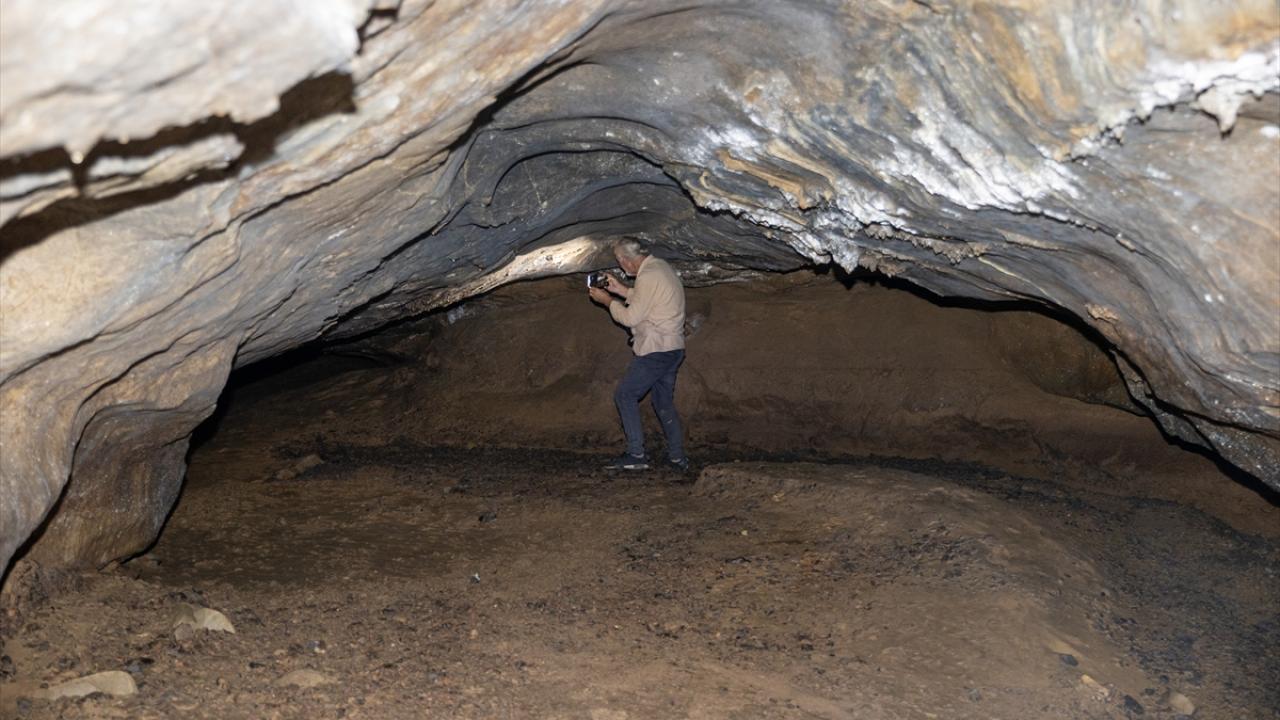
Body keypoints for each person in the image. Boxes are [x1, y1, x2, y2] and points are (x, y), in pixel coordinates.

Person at [587, 238, 689, 471]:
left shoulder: (648, 276)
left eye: (620, 262)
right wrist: (621, 290)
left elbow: (630, 318)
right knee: (663, 402)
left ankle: (636, 454)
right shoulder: (660, 267)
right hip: (673, 348)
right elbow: (648, 303)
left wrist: (608, 301)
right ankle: (677, 456)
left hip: (656, 350)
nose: (621, 266)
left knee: (625, 395)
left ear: (626, 260)